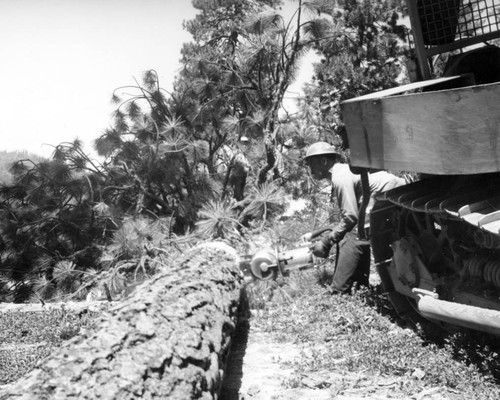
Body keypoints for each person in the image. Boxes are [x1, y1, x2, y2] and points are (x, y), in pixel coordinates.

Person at [303, 141, 406, 294]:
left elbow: (350, 217)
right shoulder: (342, 173)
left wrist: (326, 242)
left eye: (312, 165)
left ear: (324, 162)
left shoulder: (340, 177)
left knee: (351, 237)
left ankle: (339, 290)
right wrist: (318, 235)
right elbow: (345, 221)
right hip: (391, 201)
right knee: (353, 234)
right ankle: (359, 285)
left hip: (397, 199)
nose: (310, 170)